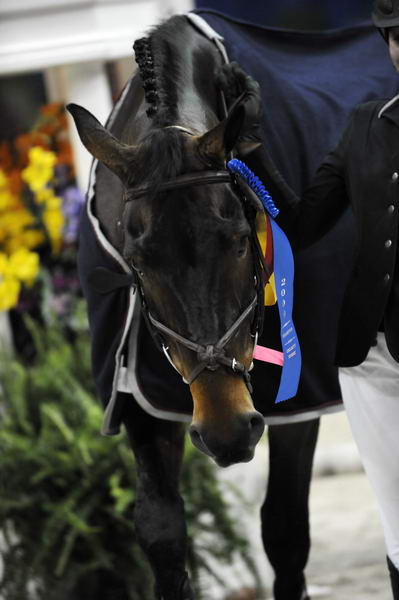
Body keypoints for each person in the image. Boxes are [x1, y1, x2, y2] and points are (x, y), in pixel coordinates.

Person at [278, 1, 399, 596]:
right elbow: (300, 224)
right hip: (373, 357)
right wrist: (250, 158)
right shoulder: (364, 124)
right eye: (398, 37)